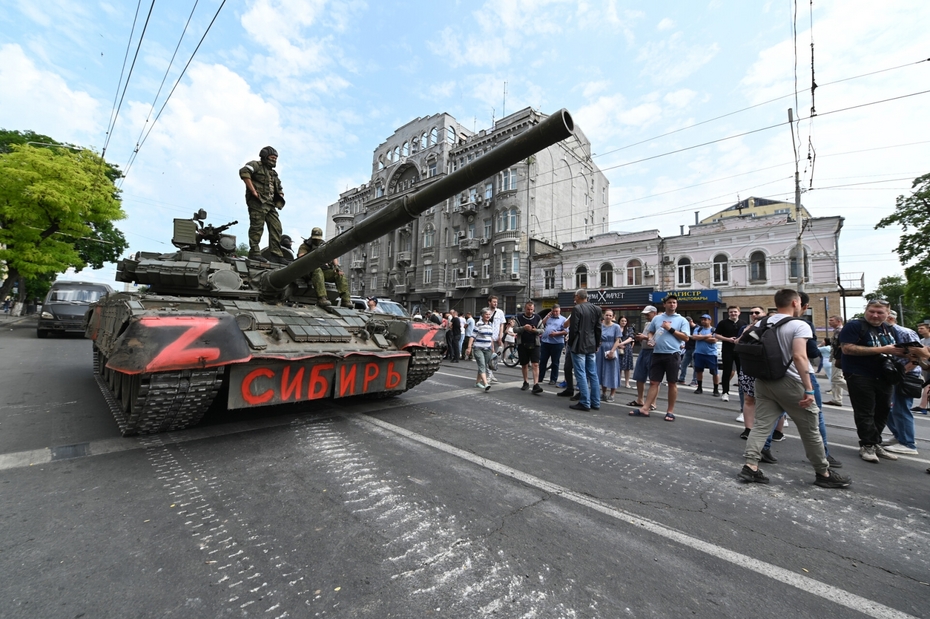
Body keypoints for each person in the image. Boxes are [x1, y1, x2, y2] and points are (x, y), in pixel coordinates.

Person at [738, 289, 850, 488]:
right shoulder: (799, 325)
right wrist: (808, 389)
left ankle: (751, 466)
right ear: (796, 303)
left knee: (761, 425)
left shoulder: (762, 322)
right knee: (810, 429)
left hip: (763, 380)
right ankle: (823, 472)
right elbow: (800, 356)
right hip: (791, 382)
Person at [839, 299, 908, 463]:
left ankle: (875, 442)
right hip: (859, 374)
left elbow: (896, 349)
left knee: (883, 410)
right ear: (866, 310)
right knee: (865, 411)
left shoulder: (889, 329)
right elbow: (847, 348)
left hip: (885, 375)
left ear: (887, 313)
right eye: (872, 311)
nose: (875, 315)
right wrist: (883, 349)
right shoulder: (855, 325)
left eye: (880, 312)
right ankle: (867, 445)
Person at [629, 295, 689, 422]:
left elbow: (685, 338)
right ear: (665, 305)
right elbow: (651, 331)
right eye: (669, 302)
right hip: (657, 353)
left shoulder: (682, 320)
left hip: (673, 354)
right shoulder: (657, 318)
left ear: (676, 305)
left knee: (672, 383)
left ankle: (670, 411)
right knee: (654, 382)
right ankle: (645, 408)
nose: (672, 304)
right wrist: (650, 339)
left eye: (674, 302)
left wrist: (670, 329)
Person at [882, 310, 920, 454]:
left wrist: (902, 372)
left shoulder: (905, 333)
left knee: (901, 409)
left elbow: (917, 358)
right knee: (889, 409)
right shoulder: (886, 333)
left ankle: (908, 443)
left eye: (881, 315)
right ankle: (900, 436)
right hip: (895, 375)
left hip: (906, 376)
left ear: (890, 318)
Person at [240, 146, 285, 262]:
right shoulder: (256, 165)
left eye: (275, 158)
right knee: (257, 227)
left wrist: (280, 194)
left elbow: (279, 187)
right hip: (258, 202)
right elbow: (244, 172)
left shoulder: (273, 174)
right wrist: (253, 191)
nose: (274, 160)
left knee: (276, 227)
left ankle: (276, 254)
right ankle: (254, 252)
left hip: (270, 204)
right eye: (272, 157)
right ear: (265, 157)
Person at [567, 289, 602, 412]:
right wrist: (597, 343)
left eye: (574, 297)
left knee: (581, 373)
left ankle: (584, 402)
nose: (574, 299)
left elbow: (573, 329)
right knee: (593, 373)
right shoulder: (597, 309)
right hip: (591, 344)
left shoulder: (577, 309)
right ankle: (595, 402)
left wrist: (570, 343)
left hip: (579, 344)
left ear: (577, 296)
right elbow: (598, 329)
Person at [297, 227, 351, 307]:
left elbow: (333, 256)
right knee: (317, 270)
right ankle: (322, 298)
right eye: (315, 238)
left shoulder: (324, 245)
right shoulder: (305, 246)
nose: (316, 240)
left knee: (339, 274)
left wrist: (336, 267)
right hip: (308, 271)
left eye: (318, 239)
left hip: (324, 271)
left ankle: (346, 300)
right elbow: (301, 256)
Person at [714, 306, 747, 403]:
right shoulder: (723, 323)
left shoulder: (743, 323)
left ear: (739, 313)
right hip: (727, 350)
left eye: (735, 312)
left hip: (739, 351)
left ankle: (742, 393)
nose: (733, 314)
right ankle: (725, 392)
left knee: (742, 373)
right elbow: (716, 335)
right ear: (728, 313)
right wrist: (728, 339)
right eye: (731, 312)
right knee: (727, 371)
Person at [628, 305, 658, 408]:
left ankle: (653, 403)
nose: (646, 316)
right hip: (643, 350)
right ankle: (640, 399)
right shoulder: (647, 323)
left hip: (653, 352)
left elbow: (658, 338)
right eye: (645, 314)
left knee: (654, 379)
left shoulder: (659, 323)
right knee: (639, 376)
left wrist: (643, 337)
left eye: (648, 314)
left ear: (654, 313)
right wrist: (641, 337)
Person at [515, 301, 544, 394]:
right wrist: (524, 328)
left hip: (535, 344)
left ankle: (536, 384)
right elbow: (514, 329)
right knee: (524, 364)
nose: (530, 311)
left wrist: (535, 330)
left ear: (534, 309)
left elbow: (542, 329)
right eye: (528, 309)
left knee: (535, 364)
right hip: (522, 344)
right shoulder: (519, 318)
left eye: (531, 309)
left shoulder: (537, 317)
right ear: (525, 308)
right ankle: (526, 381)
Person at [465, 308, 495, 391]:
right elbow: (472, 336)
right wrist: (469, 347)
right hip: (478, 348)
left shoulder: (490, 324)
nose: (488, 316)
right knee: (482, 365)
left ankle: (478, 382)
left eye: (489, 314)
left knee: (483, 365)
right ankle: (486, 384)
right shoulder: (478, 324)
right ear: (482, 315)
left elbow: (491, 337)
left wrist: (492, 348)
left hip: (488, 349)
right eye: (486, 314)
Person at [596, 310, 622, 403]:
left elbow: (617, 340)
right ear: (604, 315)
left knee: (612, 371)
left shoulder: (616, 327)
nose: (608, 317)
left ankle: (612, 394)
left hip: (612, 349)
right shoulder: (600, 326)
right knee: (602, 370)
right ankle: (603, 393)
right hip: (601, 350)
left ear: (613, 316)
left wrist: (612, 351)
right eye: (606, 315)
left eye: (610, 315)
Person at [691, 314, 719, 396]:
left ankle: (716, 389)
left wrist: (701, 337)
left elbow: (714, 340)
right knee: (699, 371)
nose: (703, 321)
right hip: (699, 353)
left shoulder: (714, 330)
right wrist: (707, 336)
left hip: (711, 354)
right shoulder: (698, 328)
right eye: (702, 319)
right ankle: (699, 387)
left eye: (705, 319)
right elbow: (694, 337)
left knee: (714, 372)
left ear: (710, 320)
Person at [539, 305, 568, 385]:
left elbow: (566, 331)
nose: (555, 313)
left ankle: (553, 379)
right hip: (545, 342)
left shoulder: (563, 319)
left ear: (560, 311)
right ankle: (540, 377)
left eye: (557, 311)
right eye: (553, 311)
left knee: (555, 362)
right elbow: (541, 324)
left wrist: (556, 334)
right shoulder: (549, 318)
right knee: (543, 361)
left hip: (557, 343)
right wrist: (546, 317)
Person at [824, 315, 847, 407]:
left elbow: (841, 345)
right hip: (835, 356)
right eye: (829, 320)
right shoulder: (837, 331)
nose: (830, 322)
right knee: (836, 379)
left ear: (839, 321)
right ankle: (836, 399)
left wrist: (838, 356)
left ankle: (856, 390)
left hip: (838, 357)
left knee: (836, 378)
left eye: (832, 320)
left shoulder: (840, 331)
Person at [487, 295, 507, 384]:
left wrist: (500, 336)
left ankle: (491, 374)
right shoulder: (485, 311)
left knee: (495, 356)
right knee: (489, 356)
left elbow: (502, 324)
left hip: (497, 337)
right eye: (493, 302)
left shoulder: (500, 312)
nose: (495, 303)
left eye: (496, 302)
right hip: (488, 338)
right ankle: (489, 375)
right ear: (489, 302)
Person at [676, 316, 698, 385]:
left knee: (695, 365)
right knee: (683, 364)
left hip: (695, 348)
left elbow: (695, 337)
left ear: (691, 321)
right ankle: (681, 379)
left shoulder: (697, 328)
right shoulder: (686, 328)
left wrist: (688, 335)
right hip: (688, 348)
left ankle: (695, 380)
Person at [617, 316, 637, 389]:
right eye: (622, 321)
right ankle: (618, 381)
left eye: (625, 321)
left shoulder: (630, 329)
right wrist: (618, 345)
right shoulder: (616, 328)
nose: (623, 322)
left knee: (627, 367)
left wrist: (622, 344)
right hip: (618, 348)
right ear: (619, 321)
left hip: (627, 349)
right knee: (618, 366)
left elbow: (631, 338)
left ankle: (627, 383)